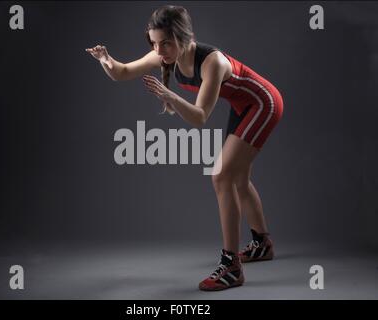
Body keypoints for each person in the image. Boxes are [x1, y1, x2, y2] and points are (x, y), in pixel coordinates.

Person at [86, 5, 283, 291]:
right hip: (243, 106)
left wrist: (169, 95)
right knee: (237, 178)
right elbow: (123, 72)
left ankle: (231, 266)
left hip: (264, 103)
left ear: (184, 37)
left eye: (165, 42)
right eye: (154, 43)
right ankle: (262, 243)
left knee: (221, 176)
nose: (159, 49)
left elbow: (200, 117)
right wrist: (106, 60)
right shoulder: (164, 54)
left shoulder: (211, 62)